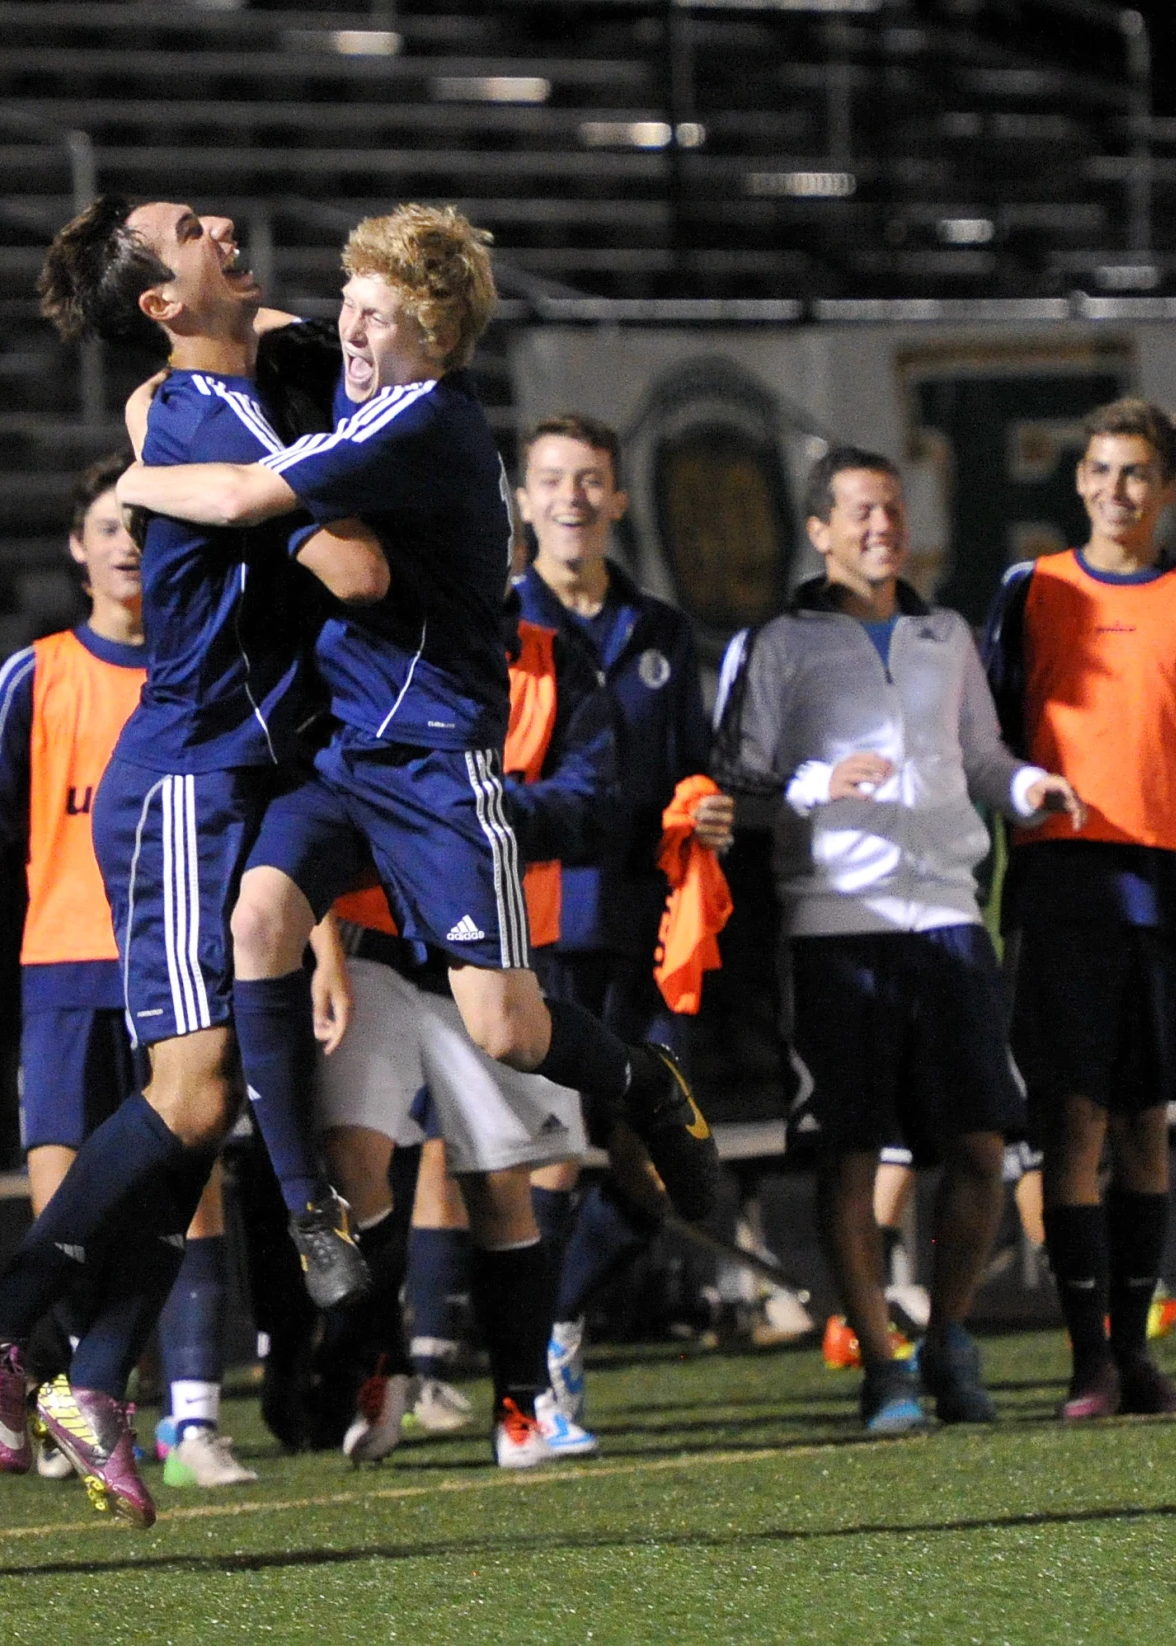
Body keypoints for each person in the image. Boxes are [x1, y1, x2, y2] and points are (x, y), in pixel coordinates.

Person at [112, 204, 724, 1264]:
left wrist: (132, 472)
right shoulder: (367, 381)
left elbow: (247, 490)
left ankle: (643, 1079)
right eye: (348, 305)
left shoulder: (418, 423)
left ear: (435, 340)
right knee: (259, 918)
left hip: (434, 759)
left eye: (378, 319)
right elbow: (279, 334)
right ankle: (312, 1211)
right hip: (346, 753)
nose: (349, 332)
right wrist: (288, 327)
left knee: (509, 1031)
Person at [0, 194, 389, 1527]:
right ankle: (3, 1326)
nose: (228, 221)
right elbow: (355, 571)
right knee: (191, 1099)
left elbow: (294, 357)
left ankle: (95, 1379)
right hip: (186, 781)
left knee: (210, 1100)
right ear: (162, 303)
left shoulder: (226, 386)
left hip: (231, 779)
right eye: (193, 228)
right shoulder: (209, 413)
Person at [713, 447, 1083, 1433]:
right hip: (835, 922)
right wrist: (811, 787)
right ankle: (882, 1364)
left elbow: (978, 755)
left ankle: (950, 1333)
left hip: (947, 915)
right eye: (860, 511)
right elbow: (732, 784)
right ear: (819, 530)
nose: (881, 524)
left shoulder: (941, 630)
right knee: (847, 1149)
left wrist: (1022, 789)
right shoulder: (777, 644)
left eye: (891, 507)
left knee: (977, 1142)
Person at [0, 454, 254, 1488]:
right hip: (62, 968)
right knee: (69, 1196)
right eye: (109, 526)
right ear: (76, 545)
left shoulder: (199, 668)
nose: (127, 545)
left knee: (191, 1196)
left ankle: (188, 1419)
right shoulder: (37, 671)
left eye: (143, 528)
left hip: (176, 962)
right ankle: (65, 1388)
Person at [982, 398, 1176, 1422]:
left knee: (1146, 1120)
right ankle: (1085, 1358)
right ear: (1078, 482)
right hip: (1063, 881)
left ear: (1168, 485)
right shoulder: (1032, 590)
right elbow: (989, 743)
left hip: (1174, 879)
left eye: (1136, 472)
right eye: (1100, 470)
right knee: (1070, 1117)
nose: (1116, 489)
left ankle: (1136, 1355)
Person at [306, 598, 616, 1468]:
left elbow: (589, 803)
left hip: (499, 953)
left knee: (500, 1184)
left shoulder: (557, 662)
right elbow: (316, 789)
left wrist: (463, 815)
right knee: (352, 1156)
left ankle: (520, 1406)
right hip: (374, 946)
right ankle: (385, 1366)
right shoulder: (360, 641)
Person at [508, 414, 734, 1429]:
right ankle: (536, 1371)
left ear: (617, 498)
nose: (572, 497)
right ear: (522, 500)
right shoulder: (492, 625)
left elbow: (693, 765)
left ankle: (550, 1318)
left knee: (661, 1163)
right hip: (541, 927)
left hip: (643, 930)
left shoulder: (660, 629)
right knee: (549, 1148)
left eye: (590, 478)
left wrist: (708, 803)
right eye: (552, 478)